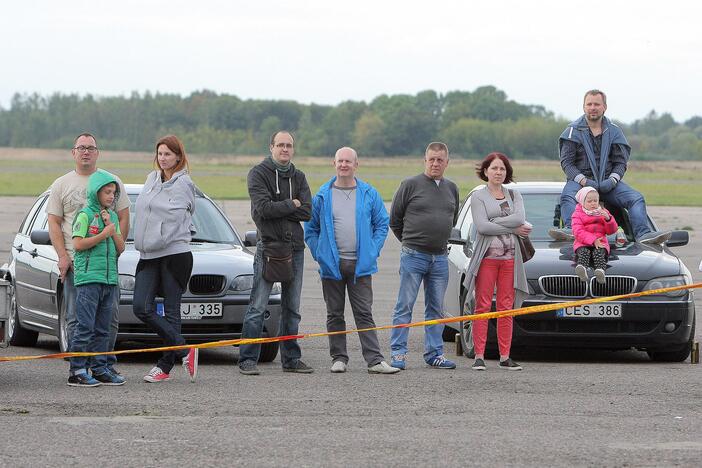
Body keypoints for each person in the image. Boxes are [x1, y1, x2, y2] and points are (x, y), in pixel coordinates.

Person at [305, 147, 399, 375]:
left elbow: (381, 224)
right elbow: (311, 228)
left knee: (364, 313)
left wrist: (372, 251)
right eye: (340, 161)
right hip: (332, 267)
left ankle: (375, 360)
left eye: (348, 161)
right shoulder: (322, 195)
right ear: (334, 163)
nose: (344, 165)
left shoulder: (369, 193)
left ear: (356, 164)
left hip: (361, 266)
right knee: (334, 313)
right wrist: (321, 254)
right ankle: (338, 358)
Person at [47, 133, 130, 375]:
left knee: (108, 320)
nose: (86, 152)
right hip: (77, 263)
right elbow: (54, 222)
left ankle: (104, 366)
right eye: (81, 147)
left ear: (97, 152)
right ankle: (79, 368)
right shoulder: (62, 184)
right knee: (77, 319)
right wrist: (63, 256)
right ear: (73, 152)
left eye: (90, 148)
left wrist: (115, 248)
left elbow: (123, 217)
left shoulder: (112, 181)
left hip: (105, 265)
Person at [549, 89, 670, 245]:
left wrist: (613, 180)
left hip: (609, 182)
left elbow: (620, 163)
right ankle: (571, 230)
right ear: (584, 107)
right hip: (580, 182)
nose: (593, 107)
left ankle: (643, 234)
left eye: (597, 104)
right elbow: (567, 163)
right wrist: (584, 181)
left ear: (604, 107)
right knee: (567, 196)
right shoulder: (571, 132)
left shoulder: (615, 132)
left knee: (636, 198)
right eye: (589, 104)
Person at [238, 130, 313, 375]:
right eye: (280, 145)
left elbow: (308, 212)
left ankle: (291, 359)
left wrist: (281, 207)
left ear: (293, 149)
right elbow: (262, 209)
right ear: (271, 147)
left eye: (289, 145)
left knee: (292, 307)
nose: (285, 149)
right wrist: (292, 204)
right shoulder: (258, 174)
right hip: (268, 247)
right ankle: (248, 359)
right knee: (257, 305)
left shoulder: (299, 177)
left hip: (295, 248)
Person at [133, 135, 198, 383]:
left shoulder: (185, 184)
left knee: (172, 312)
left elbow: (182, 215)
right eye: (160, 154)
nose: (163, 158)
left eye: (168, 154)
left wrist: (160, 237)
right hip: (148, 254)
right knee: (141, 307)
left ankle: (164, 367)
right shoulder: (151, 179)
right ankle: (185, 349)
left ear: (179, 157)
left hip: (174, 253)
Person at [388, 142, 459, 370]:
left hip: (439, 258)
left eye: (440, 160)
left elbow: (453, 218)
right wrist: (411, 242)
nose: (435, 163)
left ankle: (434, 353)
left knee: (436, 308)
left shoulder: (452, 189)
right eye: (432, 159)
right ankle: (398, 353)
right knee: (405, 305)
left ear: (447, 162)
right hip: (413, 255)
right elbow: (395, 221)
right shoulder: (410, 185)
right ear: (425, 160)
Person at [463, 152, 530, 371]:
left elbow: (520, 219)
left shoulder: (514, 195)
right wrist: (511, 226)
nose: (498, 172)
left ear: (506, 172)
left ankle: (504, 356)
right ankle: (479, 356)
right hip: (487, 260)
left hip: (510, 260)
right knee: (482, 306)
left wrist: (496, 221)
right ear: (485, 171)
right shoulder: (478, 196)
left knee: (505, 308)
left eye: (502, 169)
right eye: (494, 168)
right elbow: (482, 227)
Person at [67, 171, 126, 386]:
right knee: (85, 326)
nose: (111, 196)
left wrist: (112, 228)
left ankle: (100, 368)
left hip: (109, 280)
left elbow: (120, 248)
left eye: (113, 193)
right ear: (96, 193)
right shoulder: (85, 215)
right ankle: (77, 370)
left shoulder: (110, 217)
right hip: (89, 279)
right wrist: (103, 234)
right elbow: (78, 244)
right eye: (107, 192)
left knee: (103, 328)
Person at [571, 186, 619, 284]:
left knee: (598, 253)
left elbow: (612, 231)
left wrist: (608, 219)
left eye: (595, 200)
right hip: (583, 243)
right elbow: (578, 231)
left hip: (601, 242)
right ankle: (582, 269)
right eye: (589, 201)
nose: (593, 203)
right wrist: (593, 240)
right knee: (584, 252)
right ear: (582, 202)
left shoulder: (603, 212)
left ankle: (600, 271)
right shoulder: (577, 214)